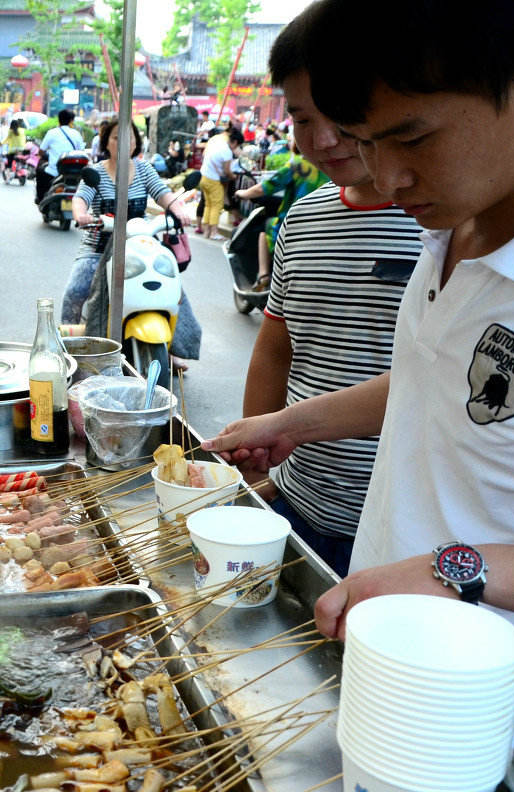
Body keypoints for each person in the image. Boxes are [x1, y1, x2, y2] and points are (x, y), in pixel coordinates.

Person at [206, 2, 514, 787]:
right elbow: (439, 376)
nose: (387, 176)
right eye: (369, 143)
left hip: (486, 722)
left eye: (412, 138)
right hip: (374, 660)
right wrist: (297, 421)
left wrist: (457, 568)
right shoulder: (453, 214)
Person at [234, 6, 424, 576]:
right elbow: (275, 347)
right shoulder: (303, 216)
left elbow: (434, 383)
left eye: (341, 116)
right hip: (297, 498)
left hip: (397, 530)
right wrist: (256, 467)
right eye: (300, 119)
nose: (323, 140)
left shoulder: (441, 224)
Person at [65, 117, 201, 365]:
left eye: (130, 137)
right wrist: (81, 214)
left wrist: (178, 208)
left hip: (138, 245)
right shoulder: (96, 172)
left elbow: (164, 195)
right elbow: (80, 198)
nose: (123, 142)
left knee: (174, 289)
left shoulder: (145, 170)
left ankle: (170, 349)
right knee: (76, 290)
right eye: (117, 136)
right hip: (98, 246)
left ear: (136, 142)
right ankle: (70, 351)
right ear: (107, 141)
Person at [234, 141, 328, 291]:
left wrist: (242, 193)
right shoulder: (330, 168)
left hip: (294, 225)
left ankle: (263, 275)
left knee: (265, 228)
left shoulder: (298, 165)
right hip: (322, 226)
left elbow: (266, 187)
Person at [196, 125, 242, 238]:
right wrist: (234, 177)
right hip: (213, 180)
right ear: (235, 142)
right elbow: (227, 171)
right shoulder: (227, 152)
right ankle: (213, 232)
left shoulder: (218, 143)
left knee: (208, 205)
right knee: (217, 205)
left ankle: (206, 231)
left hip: (203, 177)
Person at [37, 109, 85, 204]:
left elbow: (41, 151)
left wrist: (47, 156)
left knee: (40, 171)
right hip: (75, 172)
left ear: (59, 120)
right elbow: (81, 152)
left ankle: (40, 199)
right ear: (72, 121)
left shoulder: (52, 133)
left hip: (54, 171)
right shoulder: (76, 134)